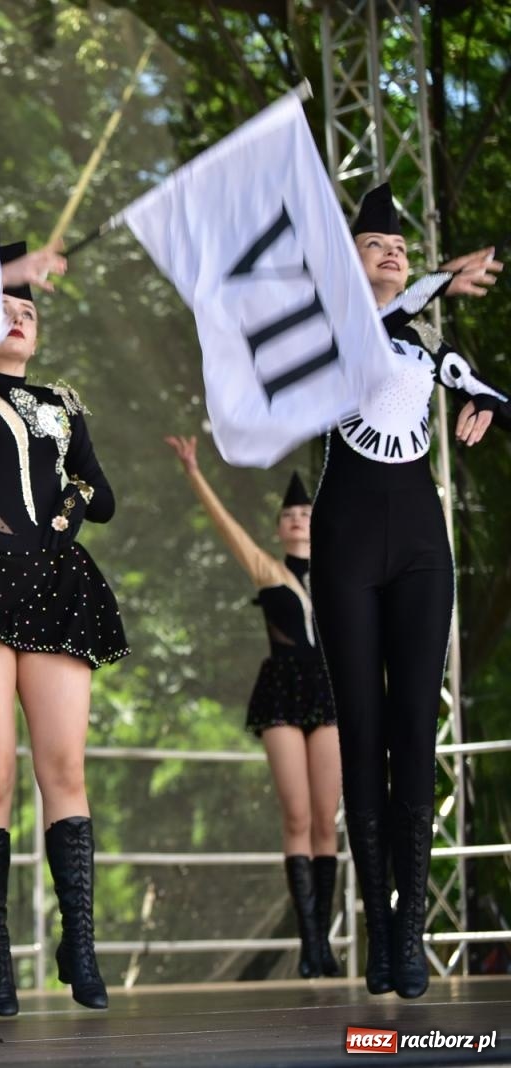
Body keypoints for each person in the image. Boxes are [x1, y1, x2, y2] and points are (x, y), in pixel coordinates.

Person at [0, 242, 126, 1015]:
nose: (17, 318)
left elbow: (100, 494)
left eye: (28, 312)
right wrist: (2, 277)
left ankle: (81, 937)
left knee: (64, 768)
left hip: (54, 584)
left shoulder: (63, 400)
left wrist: (68, 509)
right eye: (3, 307)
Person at [314, 185, 506, 998]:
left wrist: (478, 403)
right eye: (374, 245)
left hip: (421, 545)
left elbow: (491, 390)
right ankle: (375, 915)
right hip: (346, 542)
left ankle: (407, 926)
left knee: (413, 732)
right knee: (361, 730)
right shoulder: (331, 329)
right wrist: (434, 275)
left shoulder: (425, 341)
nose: (391, 251)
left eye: (399, 244)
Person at [163, 443, 341, 977]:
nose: (296, 521)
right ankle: (309, 946)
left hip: (330, 693)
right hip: (283, 692)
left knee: (326, 825)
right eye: (288, 516)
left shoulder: (340, 570)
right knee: (297, 815)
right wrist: (195, 473)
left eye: (304, 513)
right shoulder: (266, 570)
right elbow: (224, 525)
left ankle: (324, 945)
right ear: (279, 527)